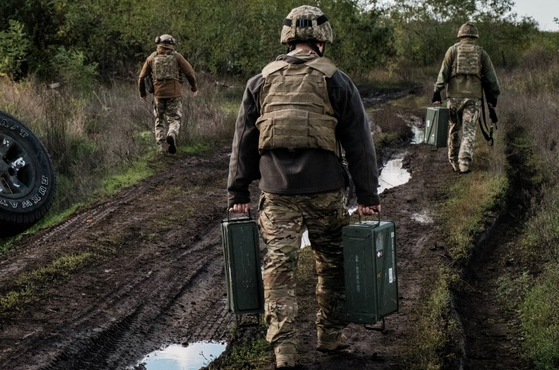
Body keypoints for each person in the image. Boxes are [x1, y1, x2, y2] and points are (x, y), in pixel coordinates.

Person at [226, 5, 380, 369]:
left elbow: (244, 139)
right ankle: (329, 337)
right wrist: (367, 195)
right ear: (322, 41)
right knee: (333, 265)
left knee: (279, 268)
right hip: (325, 191)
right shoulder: (336, 79)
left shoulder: (260, 80)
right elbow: (359, 141)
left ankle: (285, 352)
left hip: (276, 193)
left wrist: (237, 192)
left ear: (288, 39)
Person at [432, 22, 501, 174]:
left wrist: (437, 91)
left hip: (453, 98)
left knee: (454, 129)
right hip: (473, 99)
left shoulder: (452, 50)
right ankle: (464, 163)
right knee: (469, 131)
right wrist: (493, 96)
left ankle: (453, 161)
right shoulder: (481, 53)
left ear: (460, 35)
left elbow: (443, 72)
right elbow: (491, 78)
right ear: (475, 36)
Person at [137, 34, 198, 155]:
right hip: (174, 94)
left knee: (159, 120)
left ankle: (161, 148)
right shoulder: (177, 57)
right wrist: (194, 87)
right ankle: (172, 134)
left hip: (158, 94)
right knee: (174, 118)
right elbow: (190, 72)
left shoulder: (151, 58)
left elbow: (141, 77)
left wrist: (142, 93)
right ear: (171, 44)